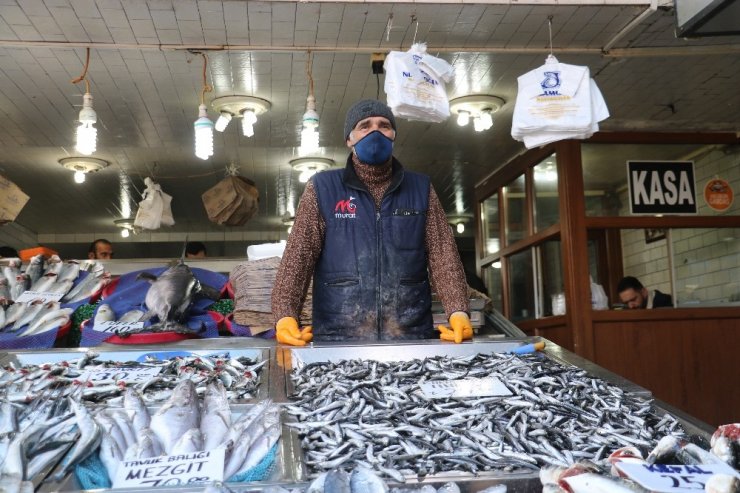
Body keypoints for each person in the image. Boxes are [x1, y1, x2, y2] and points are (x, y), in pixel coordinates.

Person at [271, 99, 472, 345]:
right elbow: (297, 257)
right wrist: (284, 314)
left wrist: (458, 310)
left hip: (408, 334)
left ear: (393, 134)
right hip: (339, 335)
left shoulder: (421, 189)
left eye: (384, 125)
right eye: (365, 126)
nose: (375, 131)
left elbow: (443, 255)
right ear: (350, 138)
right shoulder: (323, 188)